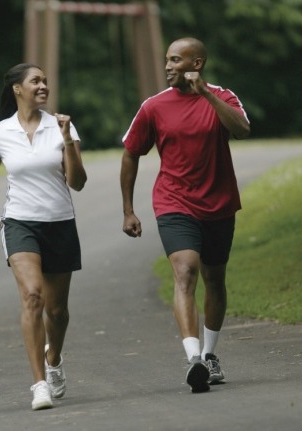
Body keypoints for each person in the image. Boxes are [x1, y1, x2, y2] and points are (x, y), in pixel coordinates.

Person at [119, 37, 251, 393]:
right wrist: (128, 209)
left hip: (219, 203)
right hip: (174, 201)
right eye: (167, 60)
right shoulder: (153, 106)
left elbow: (241, 130)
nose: (168, 66)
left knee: (215, 279)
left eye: (176, 60)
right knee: (185, 269)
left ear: (197, 63)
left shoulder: (223, 97)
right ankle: (193, 357)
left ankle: (210, 355)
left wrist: (205, 94)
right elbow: (131, 152)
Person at [0, 63, 87, 410]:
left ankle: (53, 358)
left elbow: (77, 182)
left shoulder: (60, 129)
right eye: (35, 81)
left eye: (45, 81)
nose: (43, 86)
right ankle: (39, 383)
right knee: (32, 296)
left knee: (57, 312)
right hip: (20, 224)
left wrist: (68, 137)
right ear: (17, 88)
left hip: (59, 223)